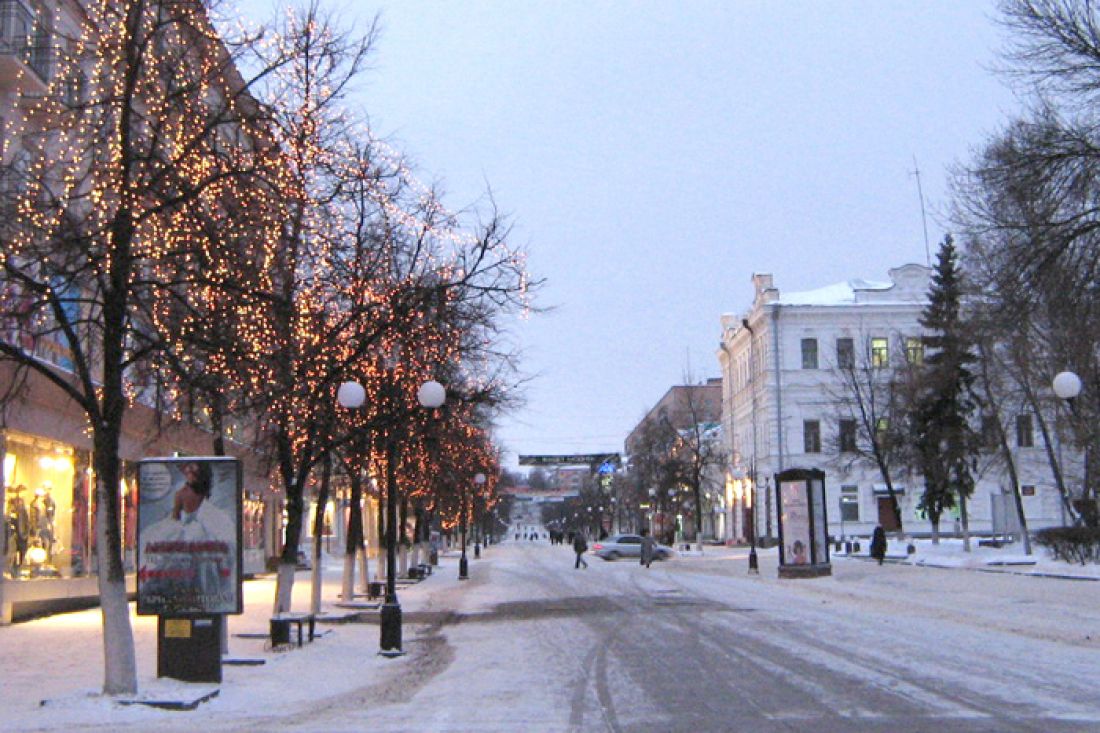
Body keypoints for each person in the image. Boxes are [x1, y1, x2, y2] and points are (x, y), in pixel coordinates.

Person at [139, 461, 237, 613]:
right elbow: (174, 520)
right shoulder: (180, 499)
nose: (188, 470)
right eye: (187, 468)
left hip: (206, 591)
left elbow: (227, 550)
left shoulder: (215, 520)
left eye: (193, 467)